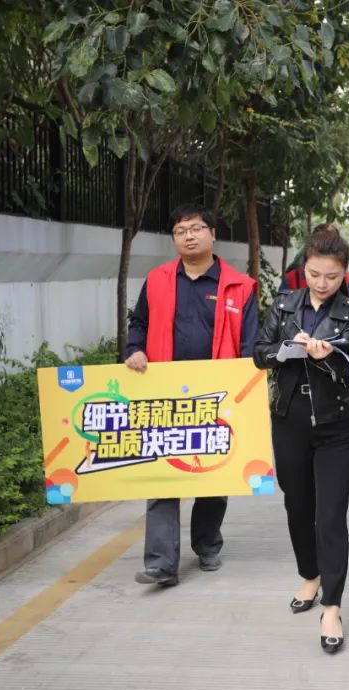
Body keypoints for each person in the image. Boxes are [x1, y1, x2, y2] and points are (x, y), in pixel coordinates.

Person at [124, 203, 259, 586]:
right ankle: (161, 564)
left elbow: (250, 344)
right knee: (161, 476)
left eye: (196, 228)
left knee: (213, 476)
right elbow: (139, 323)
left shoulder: (240, 286)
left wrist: (247, 390)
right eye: (180, 230)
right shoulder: (157, 281)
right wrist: (134, 349)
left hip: (218, 395)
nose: (189, 236)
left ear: (212, 234)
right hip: (164, 394)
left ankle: (207, 544)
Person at [254, 227, 349, 655]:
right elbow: (258, 352)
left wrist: (328, 357)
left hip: (336, 424)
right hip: (289, 419)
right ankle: (310, 575)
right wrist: (285, 348)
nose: (322, 283)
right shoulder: (284, 305)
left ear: (345, 273)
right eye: (315, 274)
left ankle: (332, 606)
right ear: (304, 269)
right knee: (298, 506)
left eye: (332, 276)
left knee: (331, 515)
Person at [279, 223, 349, 299]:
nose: (321, 285)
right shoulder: (291, 278)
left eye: (332, 277)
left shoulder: (347, 280)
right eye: (314, 275)